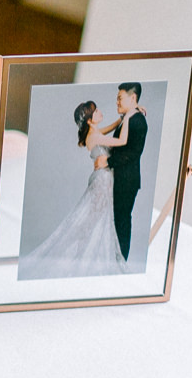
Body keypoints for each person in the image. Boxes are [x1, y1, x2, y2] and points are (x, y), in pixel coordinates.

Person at [20, 99, 138, 279]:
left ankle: (80, 256)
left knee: (96, 220)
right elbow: (122, 140)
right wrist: (130, 115)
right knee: (93, 221)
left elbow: (113, 126)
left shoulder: (95, 132)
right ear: (90, 120)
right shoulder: (95, 136)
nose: (99, 112)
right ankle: (78, 257)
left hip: (103, 178)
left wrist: (125, 116)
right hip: (102, 180)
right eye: (96, 111)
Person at [94, 82, 147, 261]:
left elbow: (133, 153)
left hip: (127, 181)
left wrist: (107, 161)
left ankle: (121, 261)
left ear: (132, 98)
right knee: (117, 220)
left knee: (121, 221)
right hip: (120, 179)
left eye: (119, 98)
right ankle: (115, 260)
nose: (116, 102)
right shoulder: (128, 118)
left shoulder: (138, 121)